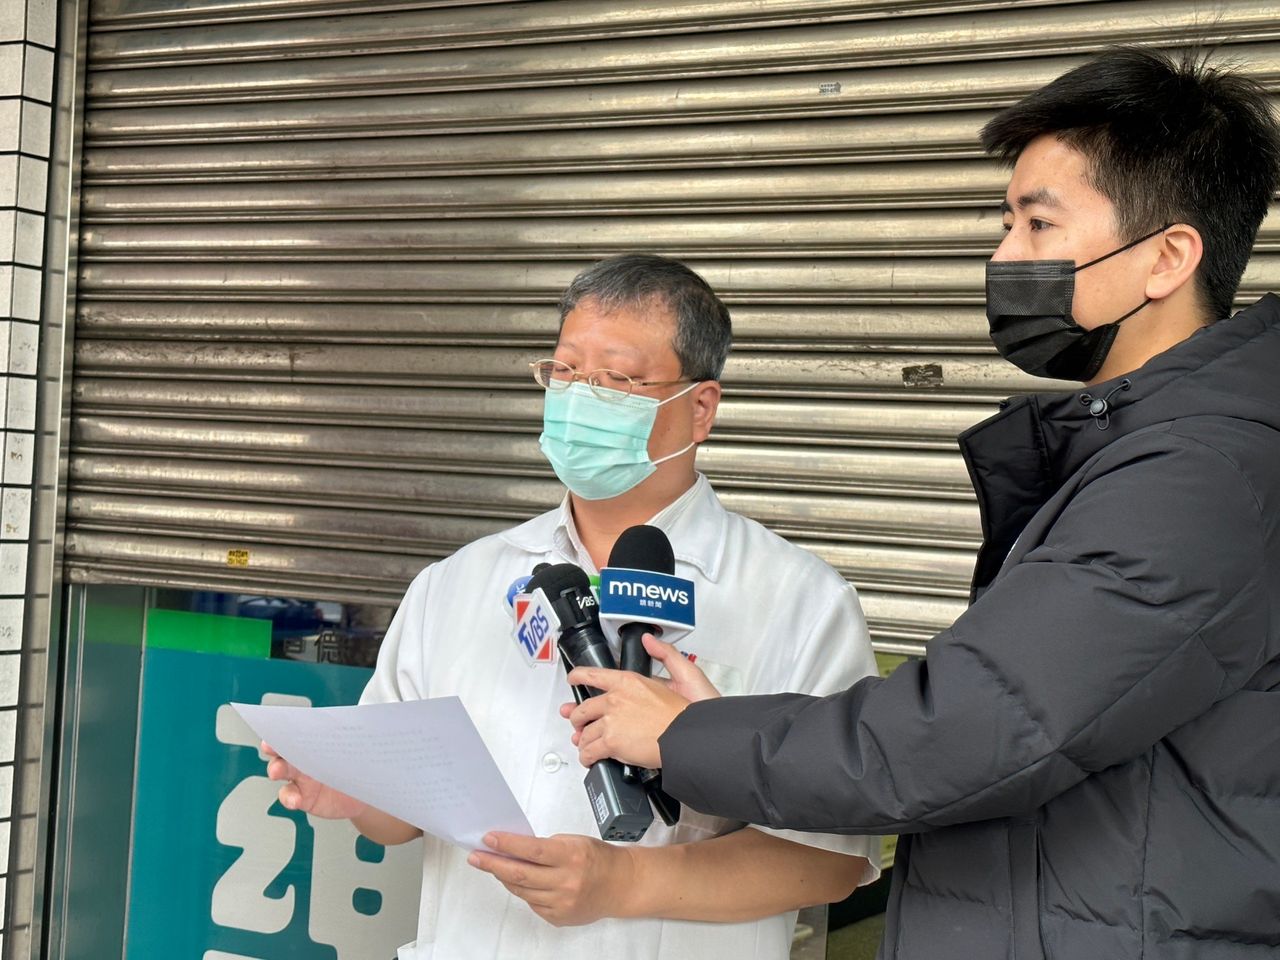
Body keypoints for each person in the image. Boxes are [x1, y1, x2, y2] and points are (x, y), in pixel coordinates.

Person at [565, 48, 1280, 960]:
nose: (1005, 256)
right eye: (1007, 223)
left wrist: (689, 737)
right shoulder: (1155, 451)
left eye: (1038, 224)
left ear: (1167, 258)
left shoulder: (1196, 476)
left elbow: (970, 731)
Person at [265, 253, 880, 959]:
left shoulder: (799, 602)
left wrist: (625, 881)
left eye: (617, 379)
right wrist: (354, 793)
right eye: (565, 371)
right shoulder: (458, 582)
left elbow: (828, 858)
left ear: (700, 408)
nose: (581, 398)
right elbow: (402, 816)